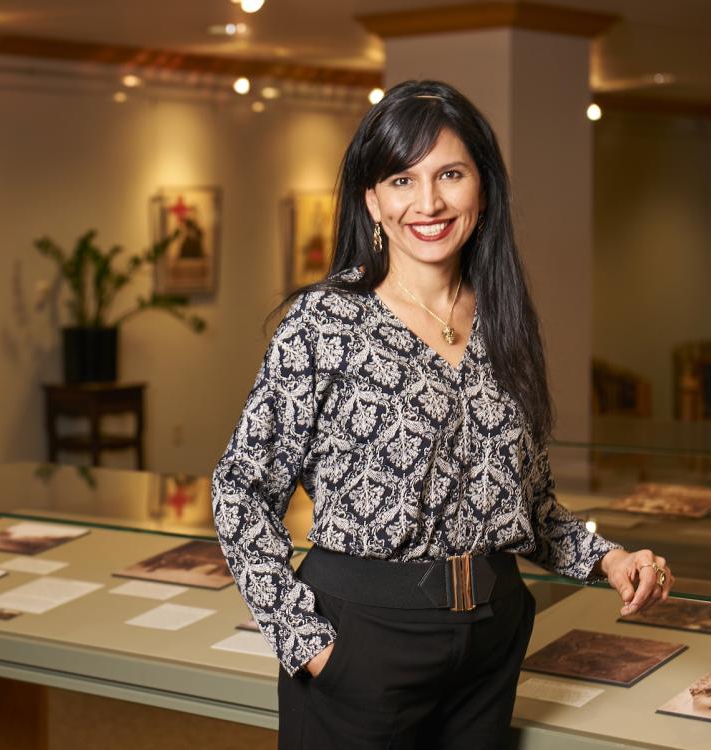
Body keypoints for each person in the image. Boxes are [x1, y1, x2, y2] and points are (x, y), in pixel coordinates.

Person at [210, 79, 674, 749]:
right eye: (401, 179)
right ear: (372, 199)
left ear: (481, 189)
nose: (427, 203)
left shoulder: (503, 319)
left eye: (449, 174)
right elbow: (240, 490)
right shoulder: (326, 322)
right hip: (361, 641)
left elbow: (530, 506)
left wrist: (609, 559)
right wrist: (310, 645)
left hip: (490, 641)